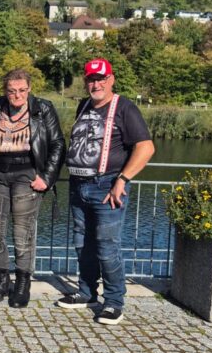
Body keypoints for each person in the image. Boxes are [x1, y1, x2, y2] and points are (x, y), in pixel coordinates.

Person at [56, 58, 155, 325]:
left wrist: (122, 179)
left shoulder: (125, 108)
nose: (95, 83)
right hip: (79, 186)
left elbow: (145, 147)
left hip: (107, 187)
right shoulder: (84, 105)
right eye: (91, 79)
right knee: (82, 244)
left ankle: (114, 301)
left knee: (106, 246)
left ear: (111, 79)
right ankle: (87, 293)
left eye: (101, 78)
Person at [0, 69, 66, 308]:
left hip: (26, 174)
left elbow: (58, 143)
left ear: (29, 89)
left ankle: (22, 282)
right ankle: (0, 278)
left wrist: (47, 178)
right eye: (11, 90)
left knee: (23, 233)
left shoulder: (42, 108)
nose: (16, 95)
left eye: (21, 90)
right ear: (5, 91)